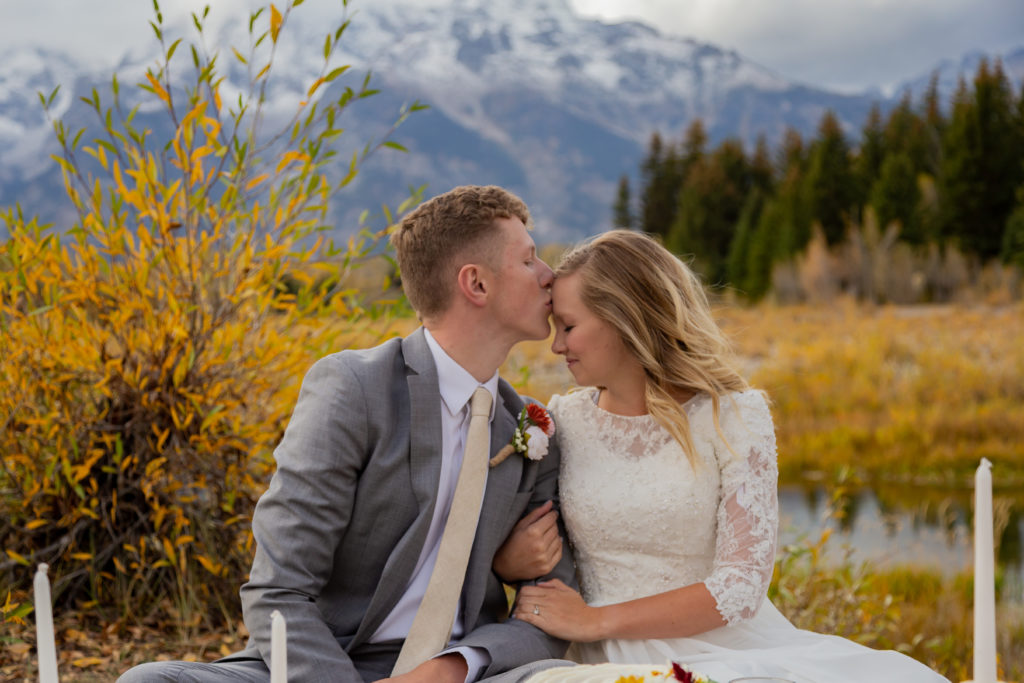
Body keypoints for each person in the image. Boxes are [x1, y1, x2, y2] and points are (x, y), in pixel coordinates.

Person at [118, 186, 577, 683]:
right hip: (330, 661)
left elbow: (545, 616)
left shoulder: (532, 427)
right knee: (148, 681)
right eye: (530, 260)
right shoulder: (356, 388)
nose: (550, 276)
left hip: (464, 673)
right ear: (476, 285)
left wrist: (450, 669)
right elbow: (280, 590)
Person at [495, 230, 949, 683]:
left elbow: (740, 588)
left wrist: (597, 620)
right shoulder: (561, 421)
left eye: (569, 327)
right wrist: (507, 563)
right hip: (596, 657)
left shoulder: (732, 417)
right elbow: (522, 538)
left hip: (720, 647)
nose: (557, 346)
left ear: (625, 319)